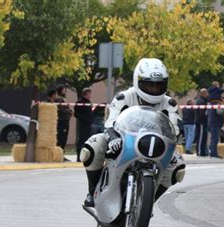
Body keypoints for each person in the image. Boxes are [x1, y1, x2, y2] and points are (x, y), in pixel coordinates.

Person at [79, 58, 186, 207]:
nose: (154, 89)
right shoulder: (124, 97)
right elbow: (111, 122)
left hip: (155, 147)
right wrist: (113, 137)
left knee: (178, 167)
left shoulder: (169, 104)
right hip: (124, 142)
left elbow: (174, 128)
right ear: (138, 81)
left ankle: (148, 202)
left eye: (158, 85)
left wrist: (178, 135)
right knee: (93, 146)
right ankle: (92, 192)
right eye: (149, 84)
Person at [74, 88, 94, 162]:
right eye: (89, 93)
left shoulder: (88, 102)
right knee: (81, 140)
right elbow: (77, 114)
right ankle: (79, 157)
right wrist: (85, 119)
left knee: (87, 140)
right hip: (83, 124)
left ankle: (85, 156)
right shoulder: (80, 102)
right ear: (85, 94)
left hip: (89, 124)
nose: (90, 95)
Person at [55, 85, 73, 155]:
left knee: (64, 138)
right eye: (64, 90)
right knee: (61, 138)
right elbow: (62, 110)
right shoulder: (59, 99)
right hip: (62, 121)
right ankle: (59, 153)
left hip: (65, 120)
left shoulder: (63, 99)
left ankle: (62, 152)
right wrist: (70, 111)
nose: (65, 91)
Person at [194, 89, 209, 156]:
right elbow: (202, 113)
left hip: (202, 121)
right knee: (201, 137)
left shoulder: (202, 101)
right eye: (206, 93)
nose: (207, 94)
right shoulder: (201, 101)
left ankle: (202, 151)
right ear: (203, 93)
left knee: (203, 137)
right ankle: (200, 151)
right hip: (201, 122)